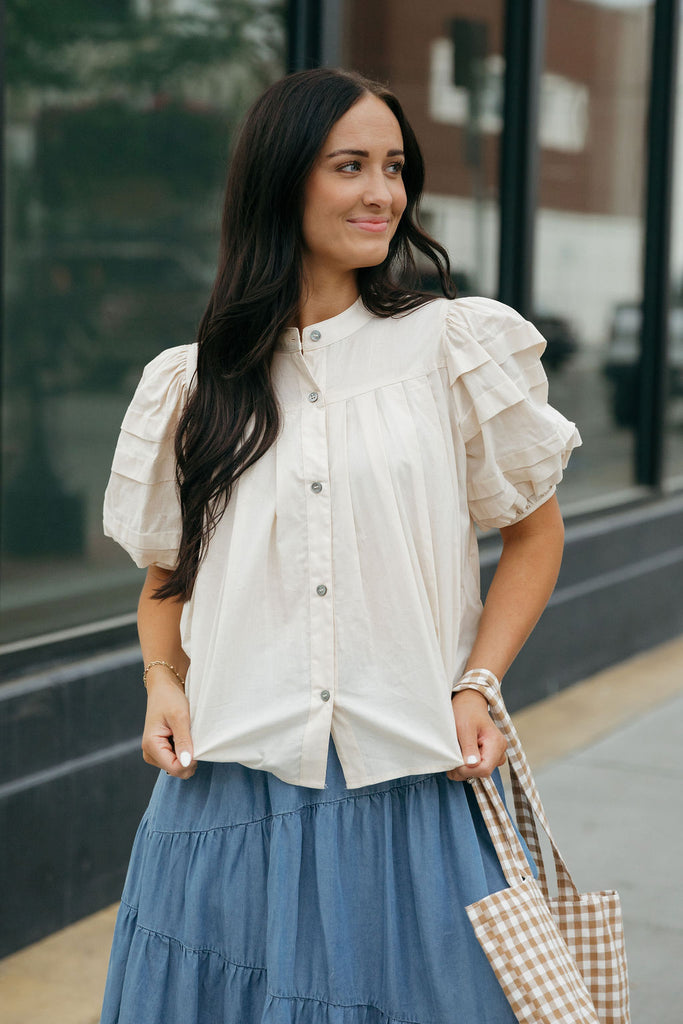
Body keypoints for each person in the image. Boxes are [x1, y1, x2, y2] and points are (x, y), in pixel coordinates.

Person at [100, 67, 580, 1024]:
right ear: (282, 179)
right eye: (349, 165)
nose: (382, 194)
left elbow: (534, 534)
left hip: (407, 784)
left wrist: (477, 684)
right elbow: (167, 576)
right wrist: (161, 680)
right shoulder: (191, 386)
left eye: (394, 167)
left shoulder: (450, 347)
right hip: (228, 793)